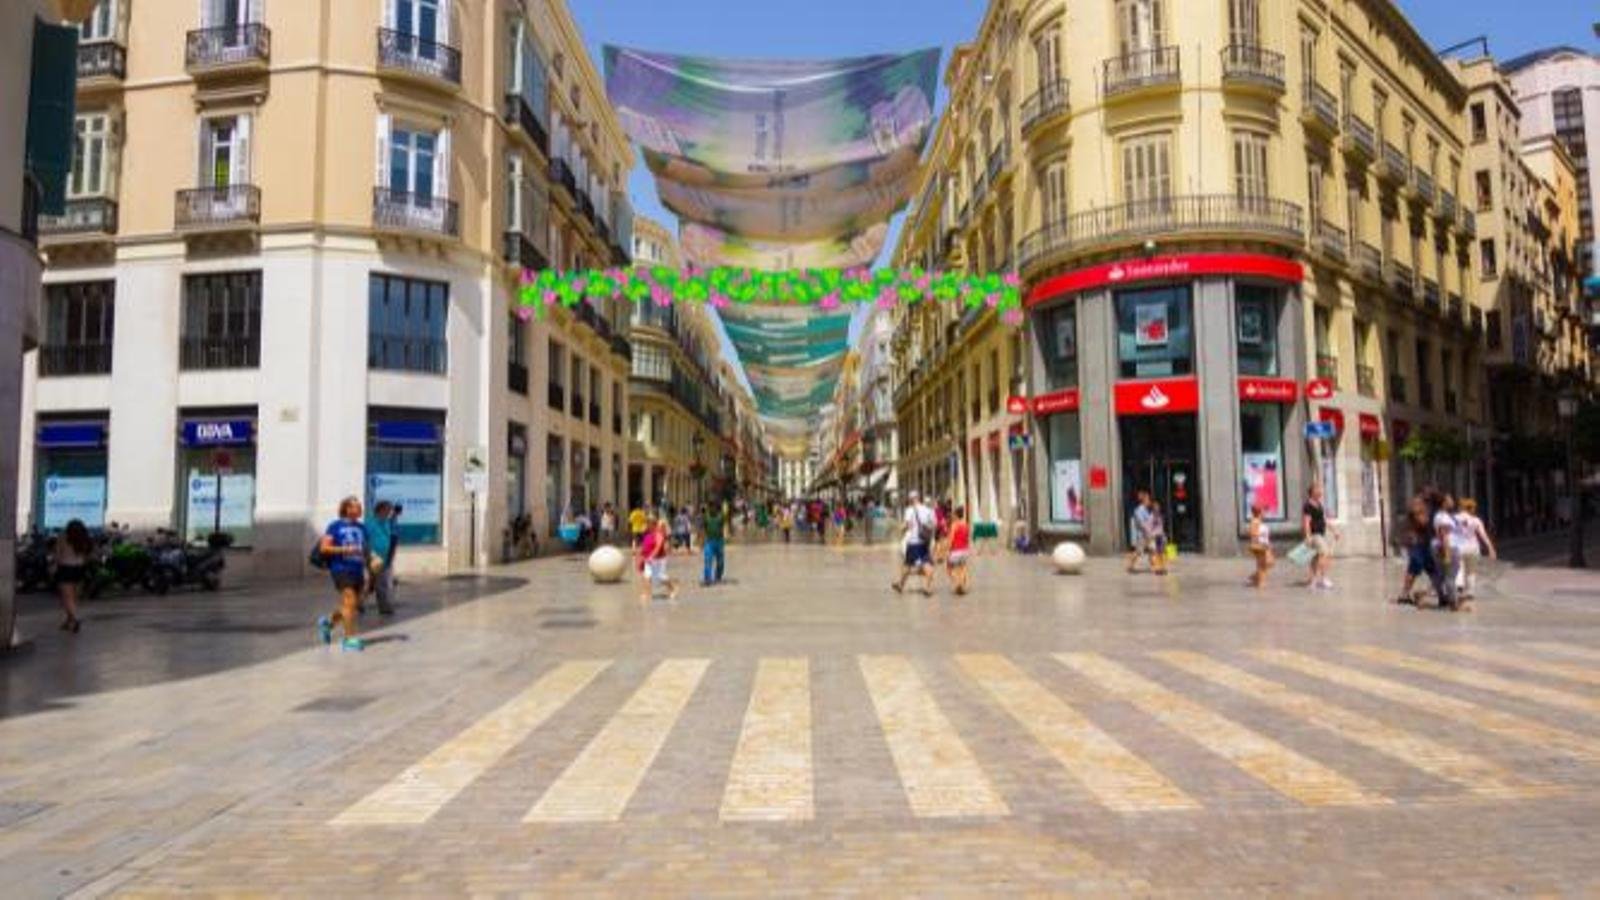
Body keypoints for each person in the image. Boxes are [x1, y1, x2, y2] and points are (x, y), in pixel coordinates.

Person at [317, 496, 371, 651]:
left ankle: (327, 623)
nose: (359, 509)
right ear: (347, 509)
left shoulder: (362, 528)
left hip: (357, 569)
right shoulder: (335, 526)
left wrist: (369, 569)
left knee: (350, 605)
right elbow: (324, 548)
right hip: (340, 569)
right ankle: (349, 639)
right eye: (356, 506)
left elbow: (365, 550)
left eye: (360, 506)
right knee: (350, 601)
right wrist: (344, 549)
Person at [51, 519, 93, 634]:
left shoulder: (63, 536)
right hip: (80, 569)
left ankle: (75, 619)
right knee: (74, 597)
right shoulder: (84, 538)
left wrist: (54, 566)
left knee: (67, 598)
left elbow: (57, 553)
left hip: (65, 568)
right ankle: (68, 620)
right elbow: (88, 555)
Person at [891, 491, 936, 597]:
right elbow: (933, 524)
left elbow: (906, 525)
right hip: (924, 542)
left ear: (911, 499)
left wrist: (899, 529)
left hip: (913, 542)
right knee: (923, 563)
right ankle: (904, 585)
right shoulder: (927, 510)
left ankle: (903, 585)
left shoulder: (909, 510)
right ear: (918, 498)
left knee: (908, 564)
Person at [1453, 497, 1496, 600]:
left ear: (1461, 507)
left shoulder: (1454, 518)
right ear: (1471, 508)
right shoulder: (1476, 520)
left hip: (1459, 547)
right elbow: (1483, 535)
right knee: (1471, 570)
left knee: (1459, 567)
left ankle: (1460, 586)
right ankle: (1470, 592)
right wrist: (1491, 548)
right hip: (1473, 548)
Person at [1301, 483, 1339, 590]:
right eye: (1317, 489)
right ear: (1312, 492)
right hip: (1315, 535)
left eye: (1320, 489)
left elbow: (1324, 520)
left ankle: (1313, 580)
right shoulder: (1308, 505)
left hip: (1321, 534)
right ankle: (1323, 578)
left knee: (1315, 558)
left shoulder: (1319, 504)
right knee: (1325, 554)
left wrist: (1334, 531)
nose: (1320, 491)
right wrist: (1308, 536)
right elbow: (1306, 521)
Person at [364, 500, 398, 616]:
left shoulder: (388, 523)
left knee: (377, 583)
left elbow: (394, 538)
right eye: (387, 510)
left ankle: (361, 603)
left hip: (385, 556)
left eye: (390, 510)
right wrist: (367, 555)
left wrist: (391, 556)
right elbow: (364, 539)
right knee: (379, 582)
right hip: (373, 555)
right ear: (380, 510)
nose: (389, 512)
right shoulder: (369, 522)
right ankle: (384, 607)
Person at [635, 517, 678, 601]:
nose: (647, 525)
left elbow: (658, 547)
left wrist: (652, 556)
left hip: (659, 559)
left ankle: (673, 588)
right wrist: (640, 557)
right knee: (647, 576)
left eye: (648, 523)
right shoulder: (646, 534)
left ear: (653, 525)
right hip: (648, 559)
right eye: (647, 523)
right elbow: (644, 547)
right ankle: (647, 594)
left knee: (661, 577)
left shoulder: (658, 534)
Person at [1125, 490, 1160, 574]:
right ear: (1144, 500)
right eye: (1148, 499)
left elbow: (1151, 521)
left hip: (1148, 534)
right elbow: (1141, 523)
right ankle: (1130, 566)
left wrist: (1155, 511)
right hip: (1143, 535)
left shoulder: (1146, 509)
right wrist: (1147, 533)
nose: (1149, 501)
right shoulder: (1140, 510)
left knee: (1153, 550)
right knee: (1138, 551)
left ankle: (1155, 568)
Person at [946, 505, 973, 595]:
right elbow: (967, 538)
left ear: (956, 515)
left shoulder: (954, 525)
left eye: (953, 514)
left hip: (956, 550)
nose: (952, 516)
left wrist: (947, 550)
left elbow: (951, 539)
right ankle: (962, 586)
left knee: (949, 569)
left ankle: (958, 584)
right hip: (965, 550)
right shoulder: (966, 524)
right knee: (962, 569)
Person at [1246, 503, 1274, 588]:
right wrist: (1259, 542)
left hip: (1264, 544)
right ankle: (1260, 583)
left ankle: (1255, 578)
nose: (1265, 513)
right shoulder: (1255, 521)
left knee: (1269, 562)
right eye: (1264, 511)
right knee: (1263, 564)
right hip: (1260, 545)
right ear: (1260, 512)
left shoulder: (1259, 521)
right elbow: (1252, 533)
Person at [701, 502, 727, 586]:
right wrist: (701, 540)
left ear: (717, 508)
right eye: (711, 507)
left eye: (714, 507)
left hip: (719, 541)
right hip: (709, 542)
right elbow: (703, 528)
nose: (712, 509)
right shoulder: (706, 517)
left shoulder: (721, 517)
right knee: (708, 560)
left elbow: (725, 518)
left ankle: (718, 576)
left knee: (720, 562)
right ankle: (707, 579)